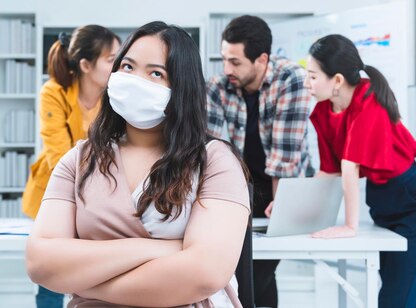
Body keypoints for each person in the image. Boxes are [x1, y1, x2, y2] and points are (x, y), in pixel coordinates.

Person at [25, 21, 250, 307]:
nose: (135, 80)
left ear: (182, 87)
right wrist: (162, 249)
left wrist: (88, 285)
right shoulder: (79, 160)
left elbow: (204, 274)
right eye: (128, 67)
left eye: (156, 73)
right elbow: (40, 262)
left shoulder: (215, 161)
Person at [301, 34, 416, 307]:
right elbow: (330, 171)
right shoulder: (322, 112)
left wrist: (350, 227)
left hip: (415, 205)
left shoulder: (370, 101)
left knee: (395, 297)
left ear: (337, 80)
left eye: (313, 76)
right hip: (382, 203)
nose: (307, 84)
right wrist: (292, 205)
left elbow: (349, 166)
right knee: (401, 292)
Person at [206, 15, 313, 308]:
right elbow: (207, 151)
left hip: (287, 184)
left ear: (262, 59)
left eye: (236, 62)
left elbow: (285, 154)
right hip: (246, 183)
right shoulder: (217, 87)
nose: (227, 69)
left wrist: (282, 208)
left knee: (256, 270)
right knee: (247, 263)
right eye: (224, 59)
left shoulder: (291, 79)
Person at [21, 24, 120, 308]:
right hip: (55, 193)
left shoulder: (114, 96)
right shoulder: (53, 92)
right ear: (87, 64)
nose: (119, 66)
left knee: (94, 274)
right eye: (112, 59)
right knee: (52, 275)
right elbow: (58, 156)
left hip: (100, 198)